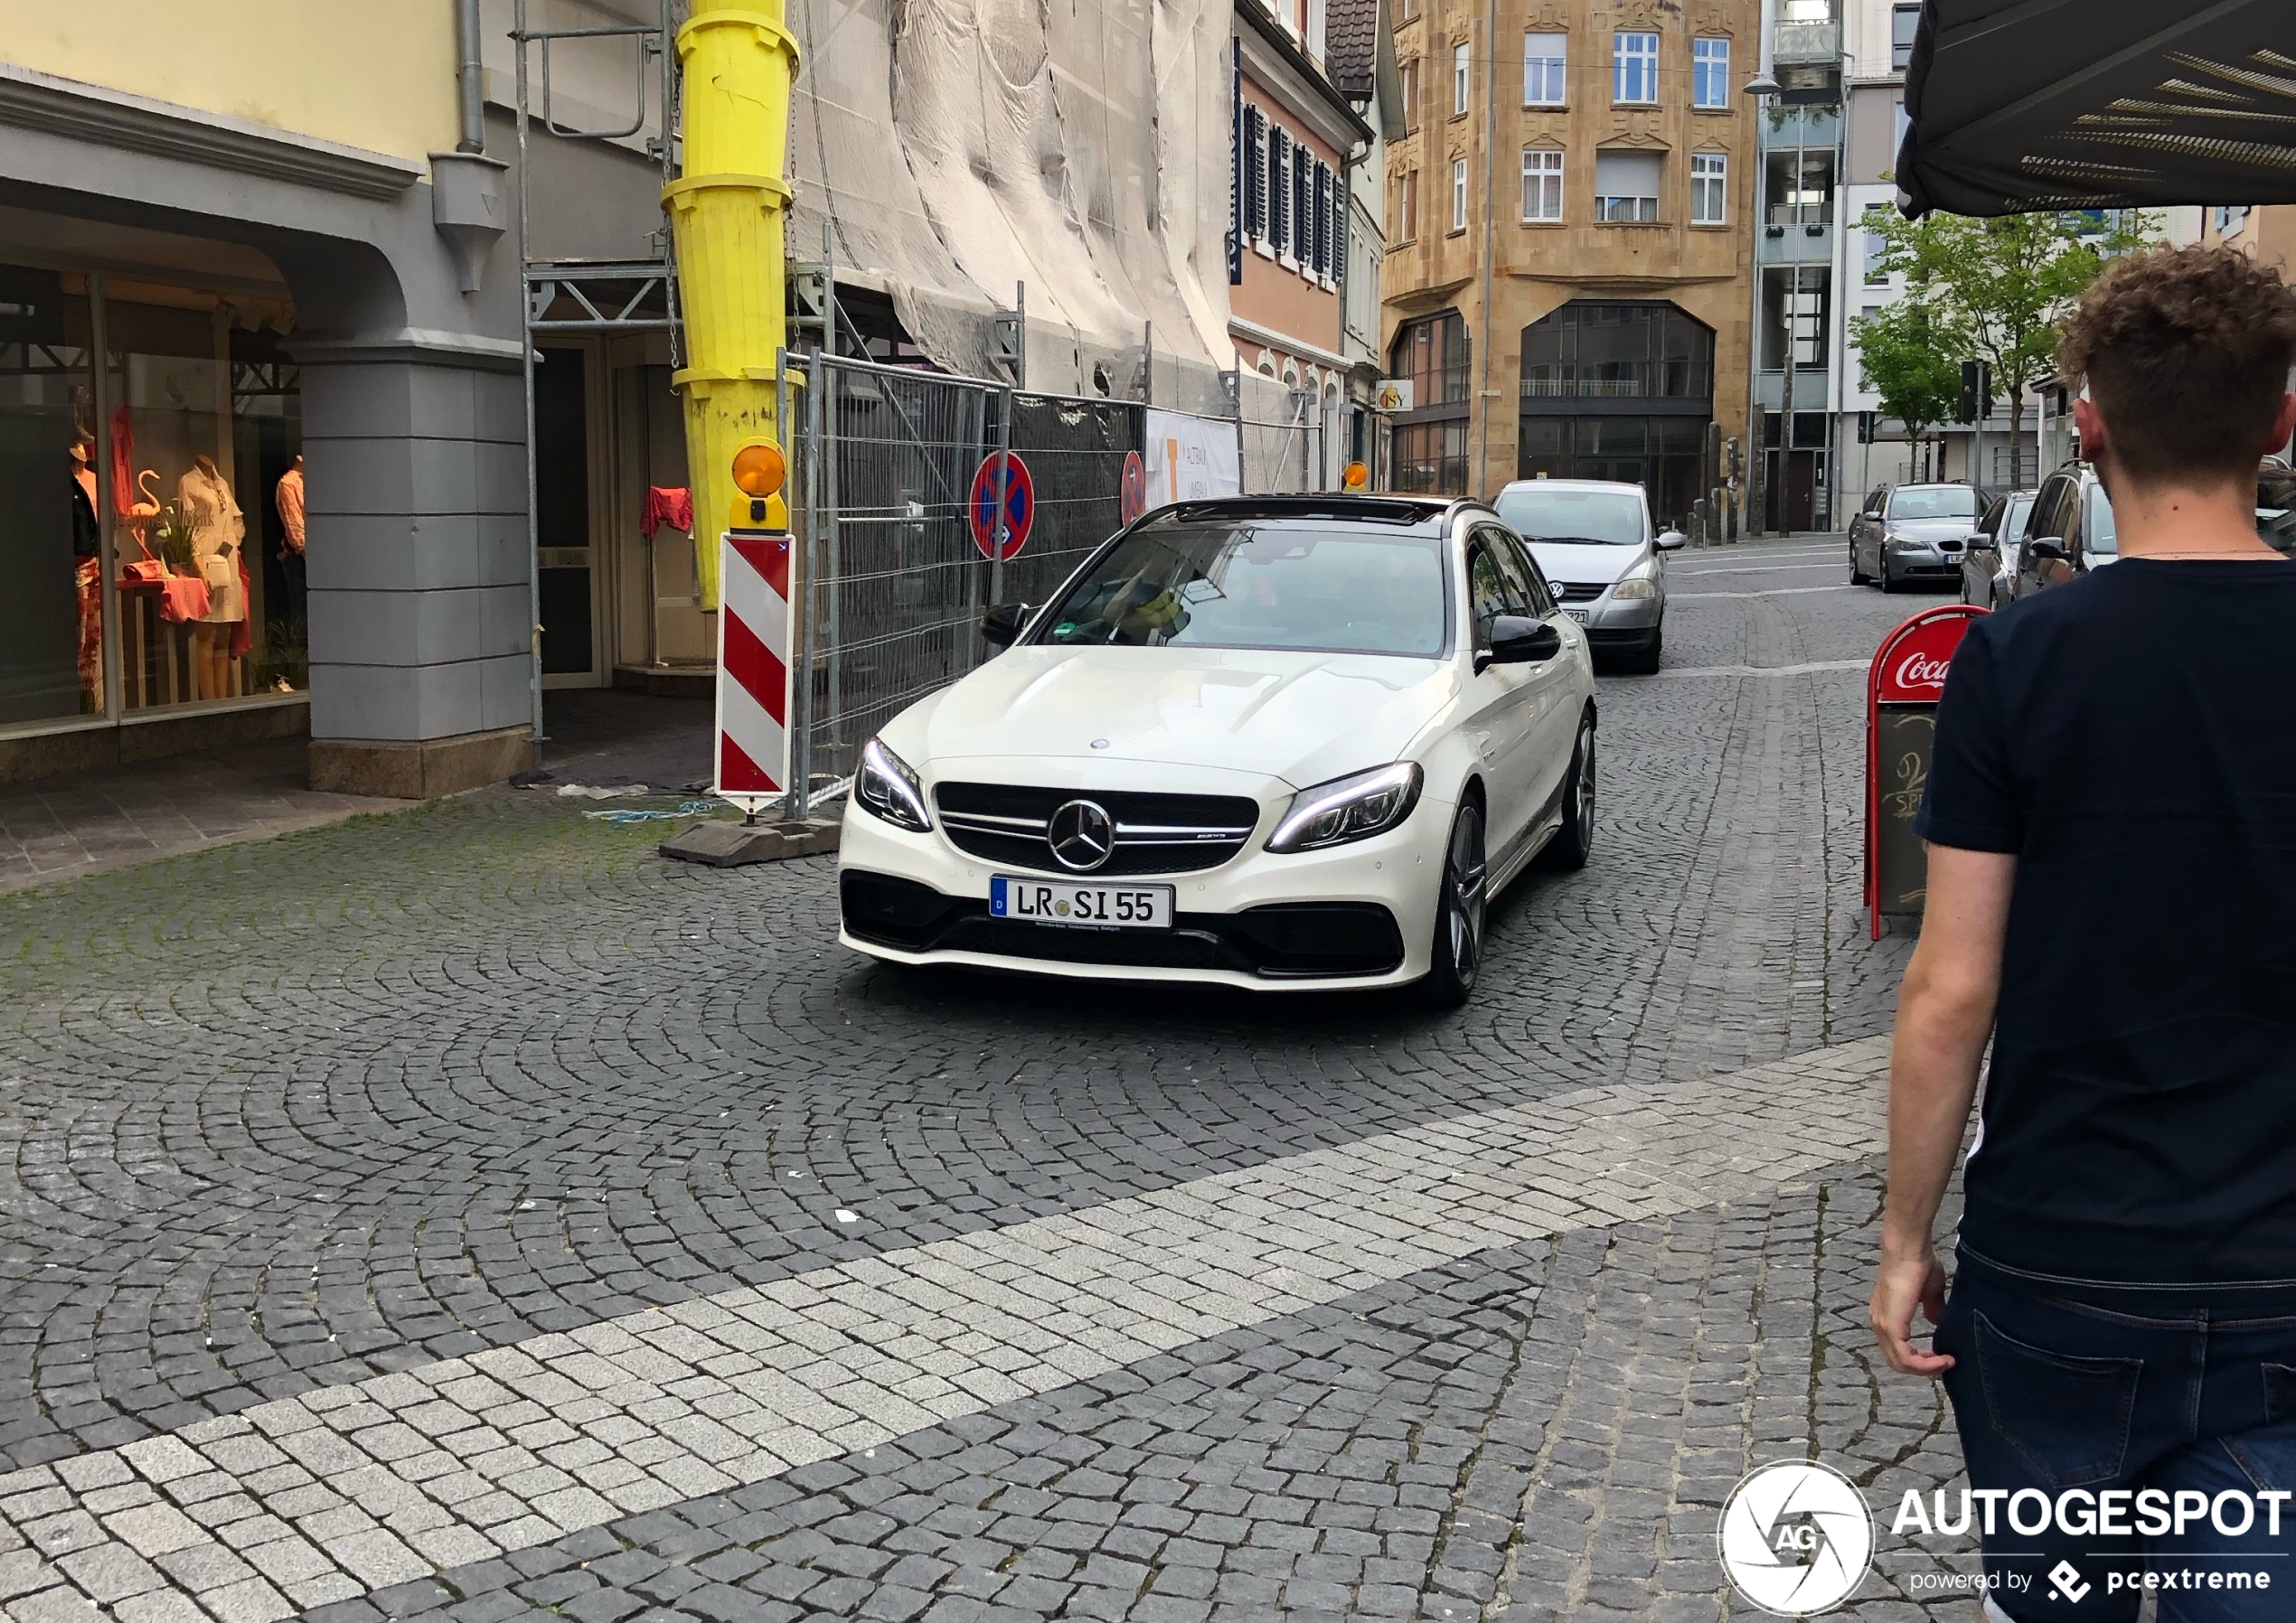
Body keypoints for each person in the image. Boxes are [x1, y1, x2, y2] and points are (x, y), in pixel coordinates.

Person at [1869, 243, 2296, 1621]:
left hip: (2064, 1265)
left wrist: (1902, 1238)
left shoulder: (2017, 660)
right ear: (2281, 420)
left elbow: (1951, 990)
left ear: (2091, 422)